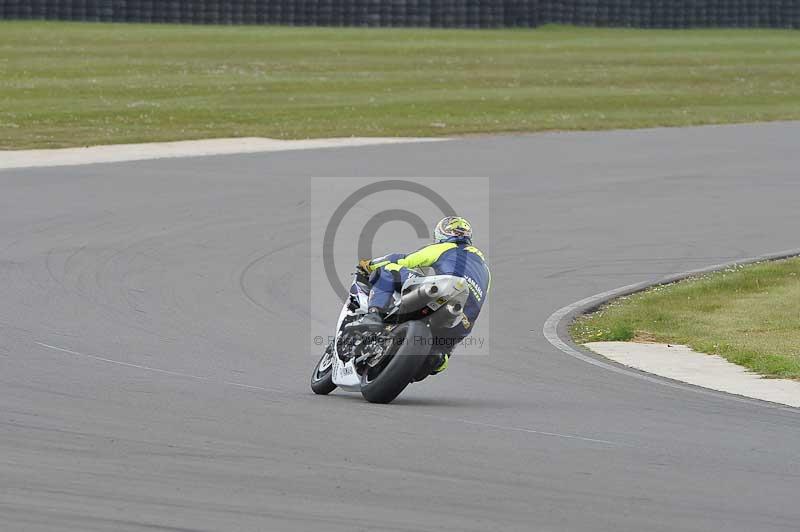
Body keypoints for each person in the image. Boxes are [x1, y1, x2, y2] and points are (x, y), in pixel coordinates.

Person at [346, 216, 490, 375]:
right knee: (440, 355)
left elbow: (406, 261)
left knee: (388, 270)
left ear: (442, 234)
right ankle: (436, 358)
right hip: (463, 319)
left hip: (441, 291)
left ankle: (374, 316)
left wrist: (369, 265)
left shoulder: (446, 248)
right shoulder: (486, 271)